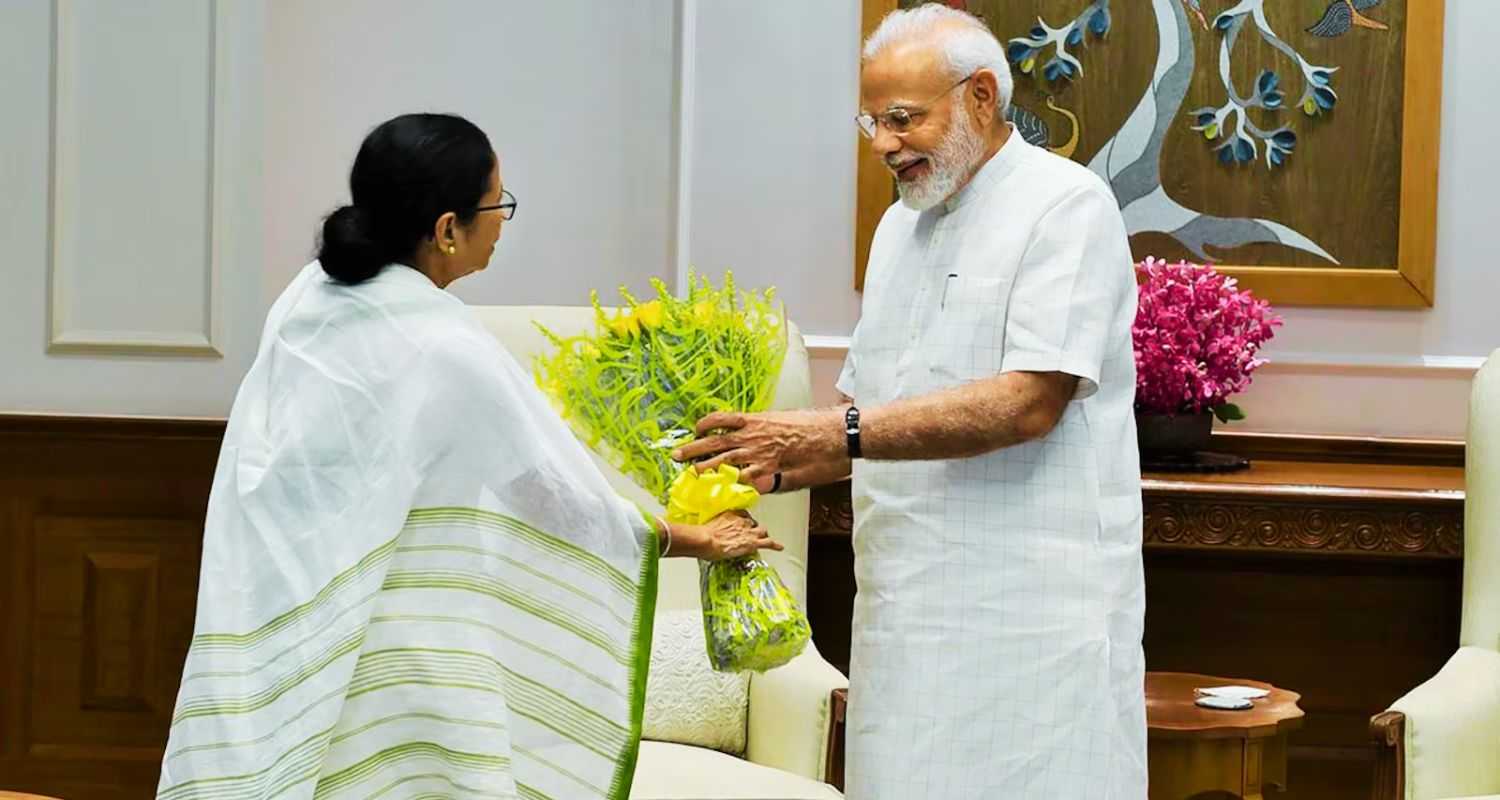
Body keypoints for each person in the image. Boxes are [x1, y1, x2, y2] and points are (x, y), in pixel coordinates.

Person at [157, 113, 779, 800]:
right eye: (498, 204)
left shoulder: (307, 299)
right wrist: (696, 539)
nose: (503, 221)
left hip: (281, 610)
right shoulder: (444, 345)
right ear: (448, 229)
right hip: (399, 641)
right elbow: (548, 497)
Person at [672, 6, 1146, 798]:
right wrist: (756, 464)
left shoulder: (1066, 207)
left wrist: (834, 433)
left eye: (903, 119)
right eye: (872, 122)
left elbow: (1030, 402)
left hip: (1027, 616)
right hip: (903, 610)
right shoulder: (898, 227)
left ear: (982, 97)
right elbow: (865, 406)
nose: (884, 144)